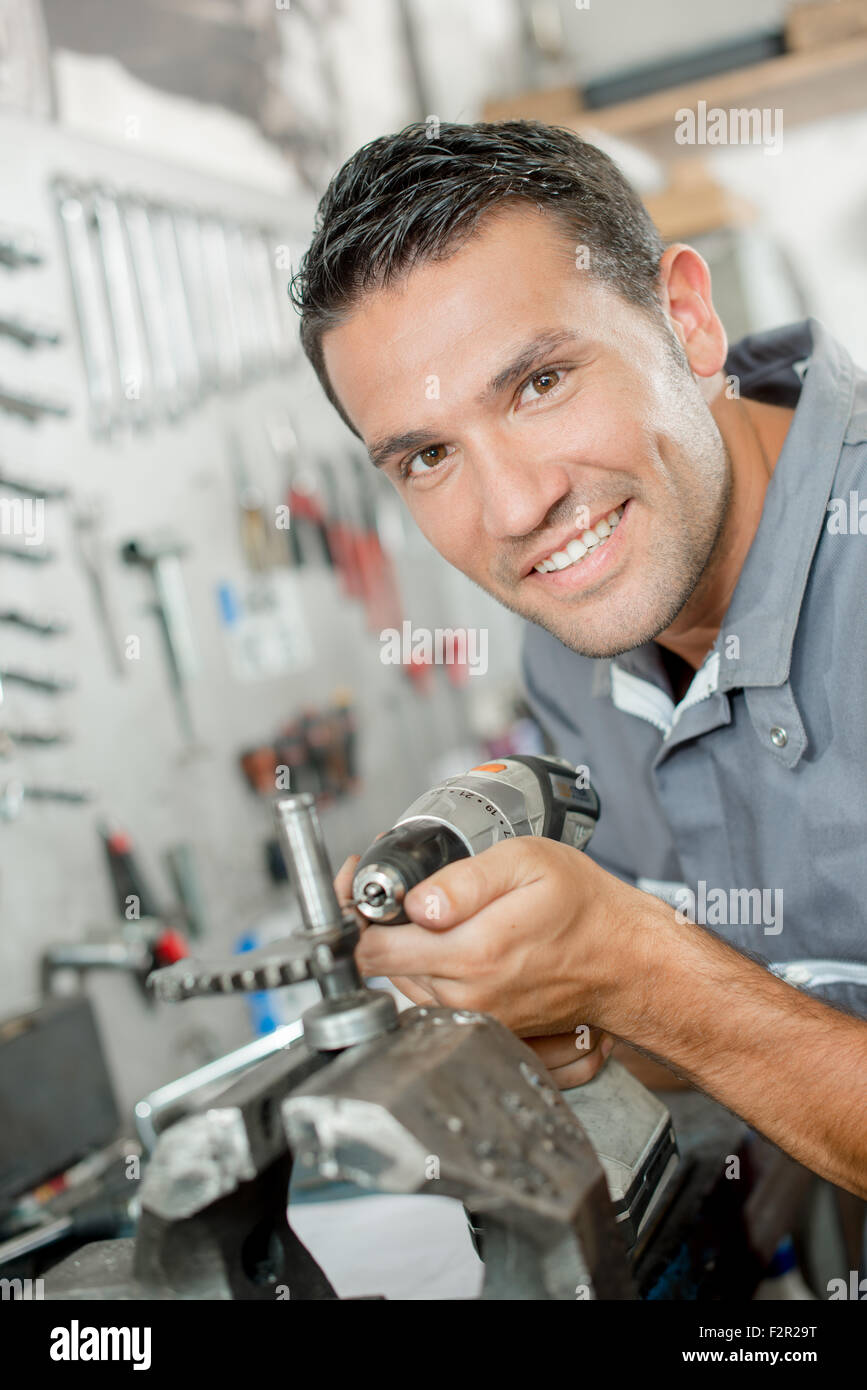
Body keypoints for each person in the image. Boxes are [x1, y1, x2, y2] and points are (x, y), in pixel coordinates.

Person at [291, 120, 867, 1200]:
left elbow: (679, 991)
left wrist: (636, 971)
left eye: (541, 382)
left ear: (688, 322)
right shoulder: (577, 636)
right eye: (427, 455)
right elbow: (755, 1019)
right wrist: (550, 997)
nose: (515, 508)